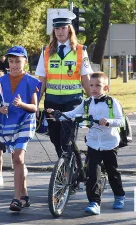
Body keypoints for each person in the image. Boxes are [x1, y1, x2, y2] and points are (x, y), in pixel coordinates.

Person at [47, 72, 125, 215]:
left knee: (112, 171)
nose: (94, 88)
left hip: (109, 143)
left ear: (106, 88)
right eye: (91, 85)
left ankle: (119, 195)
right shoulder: (87, 102)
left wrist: (108, 122)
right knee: (92, 173)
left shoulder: (112, 102)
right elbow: (73, 113)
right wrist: (58, 113)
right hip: (94, 143)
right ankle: (94, 202)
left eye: (98, 85)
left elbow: (121, 120)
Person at [36, 9, 93, 158]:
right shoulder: (46, 51)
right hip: (52, 102)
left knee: (67, 140)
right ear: (53, 30)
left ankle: (69, 171)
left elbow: (86, 79)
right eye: (57, 28)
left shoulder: (80, 50)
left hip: (73, 102)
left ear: (69, 29)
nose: (60, 31)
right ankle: (66, 167)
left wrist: (93, 100)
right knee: (55, 139)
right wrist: (35, 103)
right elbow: (42, 80)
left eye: (63, 28)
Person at [0, 46, 40, 211]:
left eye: (18, 61)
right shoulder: (0, 81)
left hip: (25, 122)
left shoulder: (31, 81)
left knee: (18, 158)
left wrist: (21, 104)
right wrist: (1, 110)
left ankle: (16, 199)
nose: (14, 64)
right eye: (11, 61)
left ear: (25, 62)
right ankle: (25, 196)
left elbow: (34, 107)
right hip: (8, 124)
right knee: (16, 160)